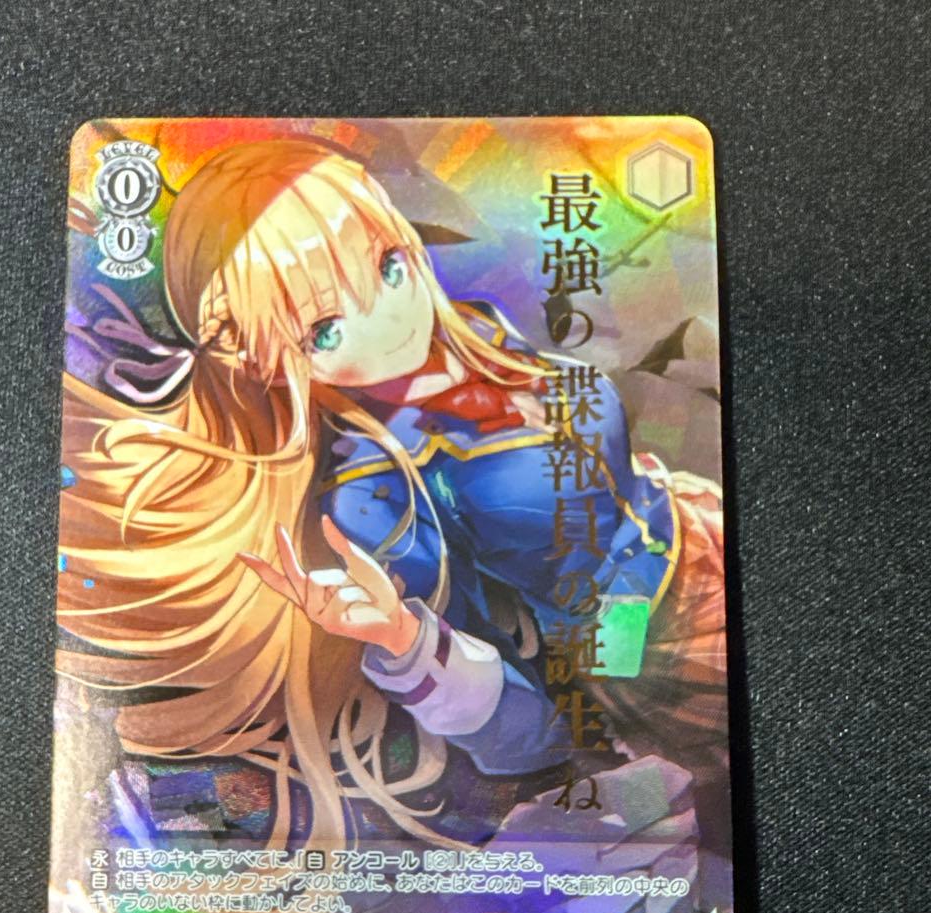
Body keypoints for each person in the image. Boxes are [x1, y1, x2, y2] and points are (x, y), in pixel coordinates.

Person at [57, 138, 728, 859]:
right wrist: (404, 642)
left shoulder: (480, 335)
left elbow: (613, 482)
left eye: (388, 266)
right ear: (262, 362)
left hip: (708, 532)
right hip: (668, 662)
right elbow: (528, 726)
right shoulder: (378, 498)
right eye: (326, 330)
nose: (389, 319)